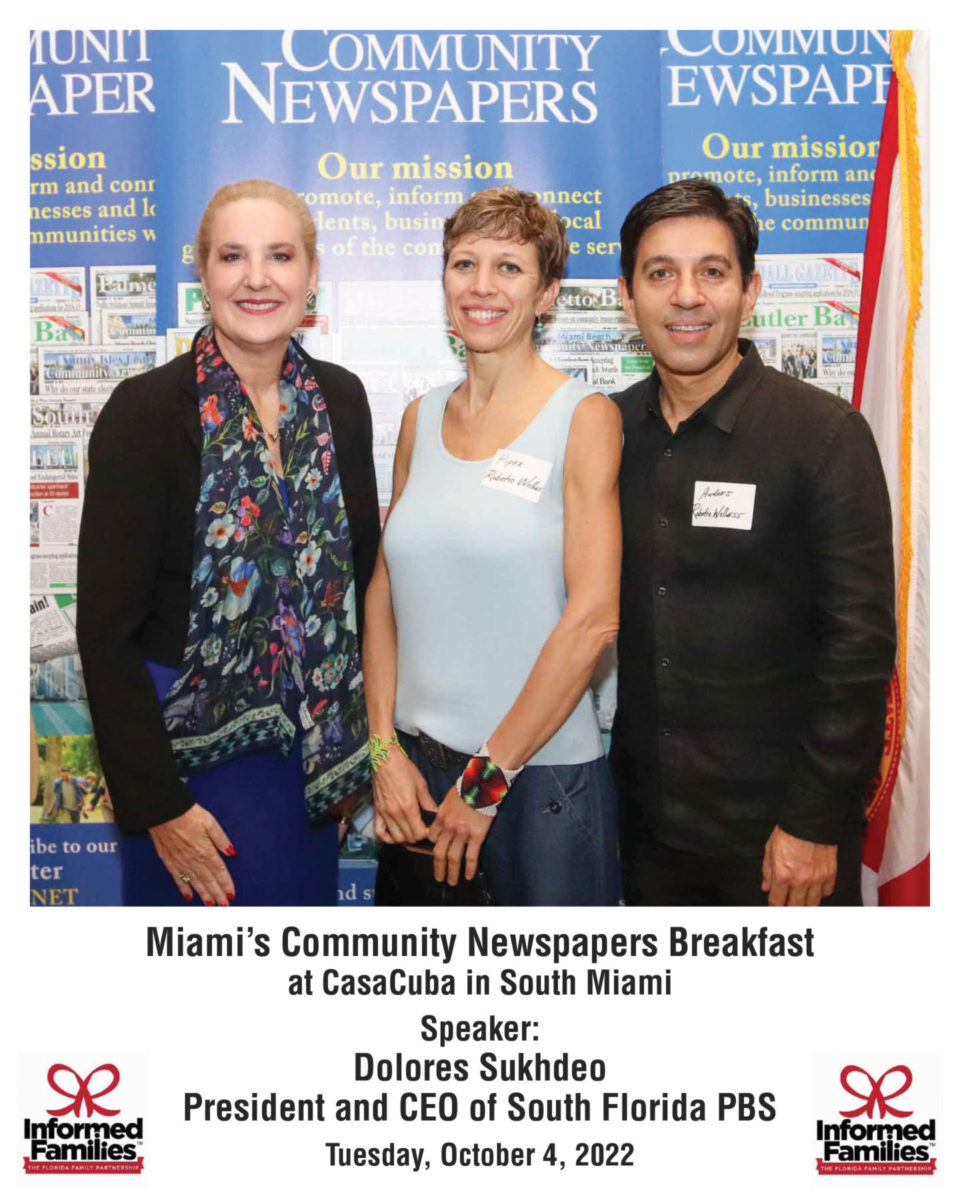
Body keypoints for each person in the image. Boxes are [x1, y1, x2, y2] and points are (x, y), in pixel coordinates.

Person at [77, 179, 380, 906]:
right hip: (181, 762)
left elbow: (363, 583)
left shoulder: (342, 400)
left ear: (311, 274)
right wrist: (160, 807)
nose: (257, 278)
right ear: (204, 273)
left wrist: (345, 761)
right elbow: (105, 634)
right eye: (233, 256)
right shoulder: (146, 412)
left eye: (280, 256)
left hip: (310, 760)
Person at [610, 179, 896, 907]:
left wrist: (812, 822)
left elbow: (860, 647)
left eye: (712, 271)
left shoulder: (823, 434)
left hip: (782, 843)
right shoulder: (604, 434)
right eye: (660, 273)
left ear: (750, 291)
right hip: (645, 836)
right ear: (627, 297)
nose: (687, 296)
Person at [366, 186, 622, 906]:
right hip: (416, 779)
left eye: (509, 268)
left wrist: (485, 782)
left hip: (537, 782)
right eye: (464, 264)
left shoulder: (584, 417)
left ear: (546, 294)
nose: (482, 286)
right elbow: (385, 593)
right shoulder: (419, 418)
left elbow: (594, 619)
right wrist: (382, 748)